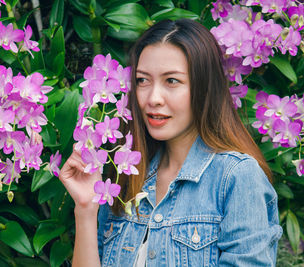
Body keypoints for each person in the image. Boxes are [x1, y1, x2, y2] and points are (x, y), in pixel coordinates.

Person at [59, 19, 283, 266]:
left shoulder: (236, 177)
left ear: (204, 88)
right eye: (143, 80)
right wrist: (85, 209)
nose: (153, 98)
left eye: (172, 81)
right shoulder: (126, 179)